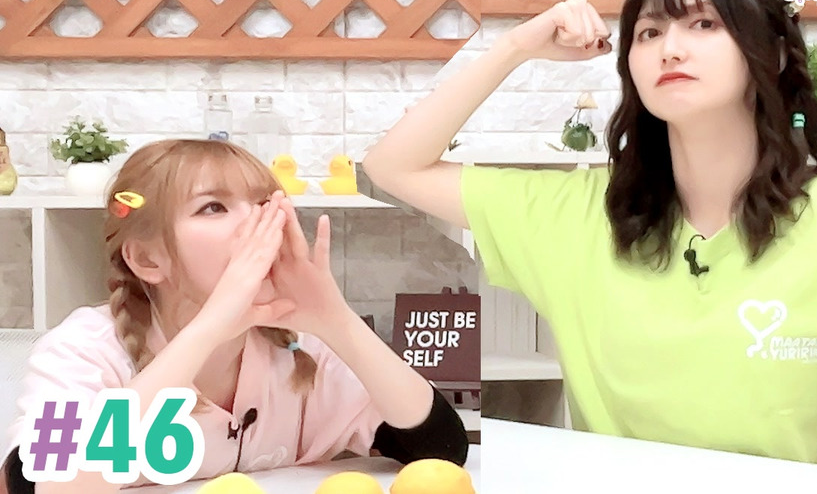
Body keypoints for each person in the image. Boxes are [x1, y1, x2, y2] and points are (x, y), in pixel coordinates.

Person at [362, 0, 817, 474]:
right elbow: (394, 167)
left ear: (773, 53)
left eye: (704, 23)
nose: (670, 47)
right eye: (648, 32)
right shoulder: (580, 215)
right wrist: (514, 48)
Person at [1, 139, 468, 493]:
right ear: (147, 259)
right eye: (213, 206)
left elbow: (438, 448)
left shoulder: (300, 348)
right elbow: (39, 482)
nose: (262, 221)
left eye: (265, 203)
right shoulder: (83, 348)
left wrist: (337, 321)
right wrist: (208, 329)